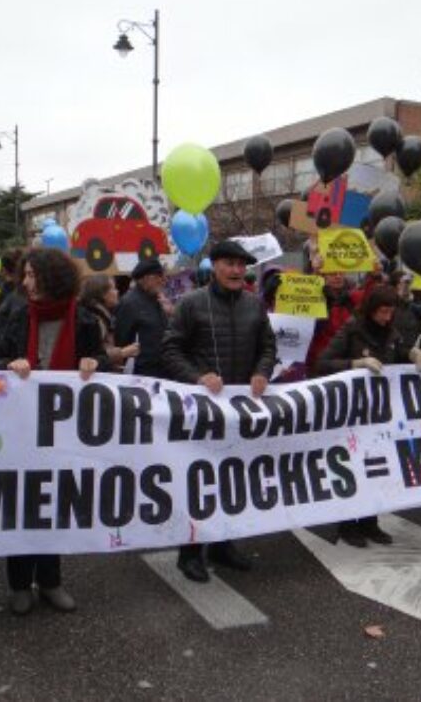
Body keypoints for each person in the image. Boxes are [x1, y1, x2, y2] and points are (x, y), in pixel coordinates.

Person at [0, 248, 108, 615]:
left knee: (53, 504)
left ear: (51, 278)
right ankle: (18, 584)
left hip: (63, 431)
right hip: (19, 430)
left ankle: (50, 580)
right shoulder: (15, 315)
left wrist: (95, 363)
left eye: (31, 275)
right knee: (20, 504)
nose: (24, 282)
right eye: (24, 275)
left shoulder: (86, 321)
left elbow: (101, 364)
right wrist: (8, 366)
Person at [162, 240, 277, 583]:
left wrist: (262, 372)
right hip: (201, 411)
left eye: (242, 265)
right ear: (214, 266)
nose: (237, 270)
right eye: (229, 263)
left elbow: (268, 347)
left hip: (240, 412)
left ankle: (224, 545)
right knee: (199, 482)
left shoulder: (254, 306)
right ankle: (190, 552)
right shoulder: (190, 304)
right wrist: (197, 378)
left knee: (233, 479)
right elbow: (170, 350)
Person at [315, 285, 421, 546]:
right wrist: (355, 364)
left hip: (380, 413)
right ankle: (347, 525)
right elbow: (322, 363)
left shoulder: (391, 332)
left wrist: (413, 353)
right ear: (370, 309)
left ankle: (370, 522)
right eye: (382, 312)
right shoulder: (352, 329)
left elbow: (398, 351)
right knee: (353, 468)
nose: (386, 317)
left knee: (377, 468)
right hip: (351, 413)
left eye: (391, 312)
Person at [115, 258, 168, 378]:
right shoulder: (129, 303)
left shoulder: (156, 300)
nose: (164, 280)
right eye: (159, 276)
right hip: (140, 374)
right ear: (146, 278)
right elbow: (121, 340)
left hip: (160, 371)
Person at [80, 274, 139, 369]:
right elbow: (94, 356)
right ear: (103, 294)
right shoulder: (94, 320)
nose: (117, 291)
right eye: (113, 288)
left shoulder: (100, 315)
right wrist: (123, 352)